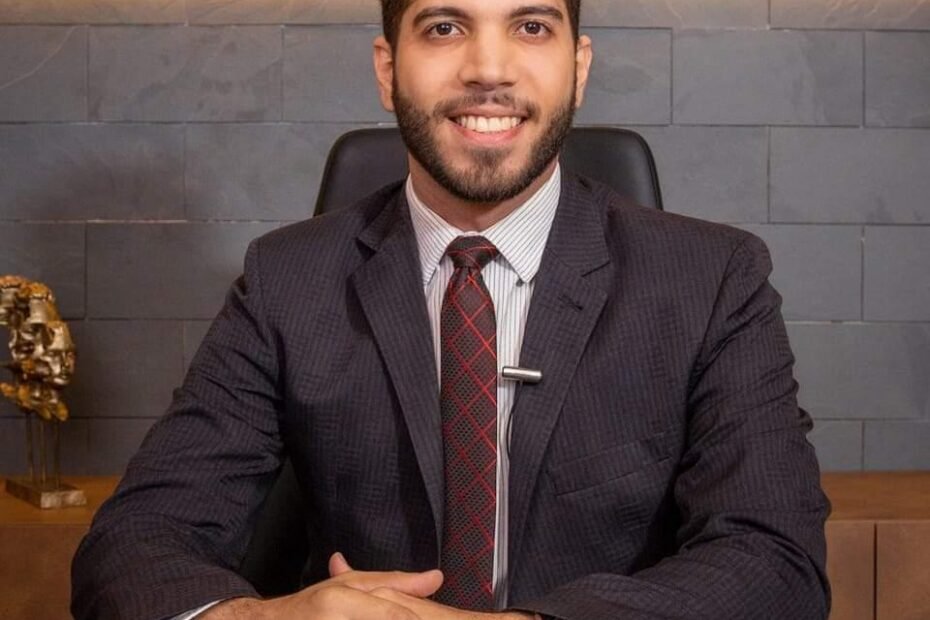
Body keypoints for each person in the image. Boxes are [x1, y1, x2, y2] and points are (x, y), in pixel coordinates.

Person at [71, 1, 831, 618]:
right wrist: (262, 619)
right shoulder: (286, 281)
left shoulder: (713, 279)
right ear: (387, 68)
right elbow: (133, 544)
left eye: (530, 26)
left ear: (578, 68)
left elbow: (776, 563)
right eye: (443, 27)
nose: (488, 69)